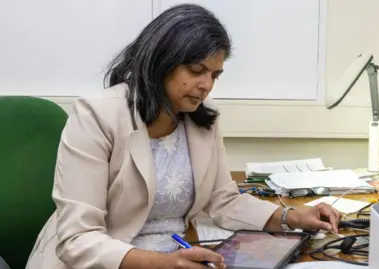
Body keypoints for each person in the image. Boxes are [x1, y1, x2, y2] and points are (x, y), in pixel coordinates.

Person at [25, 3, 341, 269]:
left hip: (176, 253)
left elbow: (223, 200)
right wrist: (163, 263)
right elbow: (77, 239)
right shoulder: (96, 116)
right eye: (196, 70)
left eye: (214, 75)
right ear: (162, 62)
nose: (206, 85)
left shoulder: (203, 116)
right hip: (106, 259)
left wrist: (292, 217)